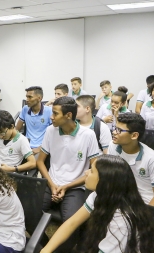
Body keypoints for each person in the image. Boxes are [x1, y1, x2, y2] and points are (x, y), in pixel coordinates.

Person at [41, 155, 154, 253]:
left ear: (104, 181)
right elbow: (71, 223)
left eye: (92, 171)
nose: (86, 173)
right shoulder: (98, 195)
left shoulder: (121, 220)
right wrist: (45, 250)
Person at [36, 96, 100, 253]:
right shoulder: (51, 131)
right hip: (51, 182)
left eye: (55, 114)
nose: (51, 117)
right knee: (28, 213)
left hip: (75, 187)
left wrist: (65, 186)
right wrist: (52, 185)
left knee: (72, 224)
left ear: (68, 116)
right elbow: (40, 162)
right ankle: (44, 244)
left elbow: (94, 170)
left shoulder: (88, 135)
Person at [108, 113, 154, 208]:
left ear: (134, 135)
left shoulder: (151, 158)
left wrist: (144, 218)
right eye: (115, 128)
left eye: (119, 130)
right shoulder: (113, 146)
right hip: (127, 202)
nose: (114, 132)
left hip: (150, 204)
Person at [16, 86, 52, 155]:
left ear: (39, 98)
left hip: (42, 148)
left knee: (32, 163)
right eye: (26, 97)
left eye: (30, 97)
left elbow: (54, 135)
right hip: (26, 146)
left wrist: (39, 148)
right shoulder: (25, 109)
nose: (27, 99)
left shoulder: (49, 111)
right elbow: (17, 129)